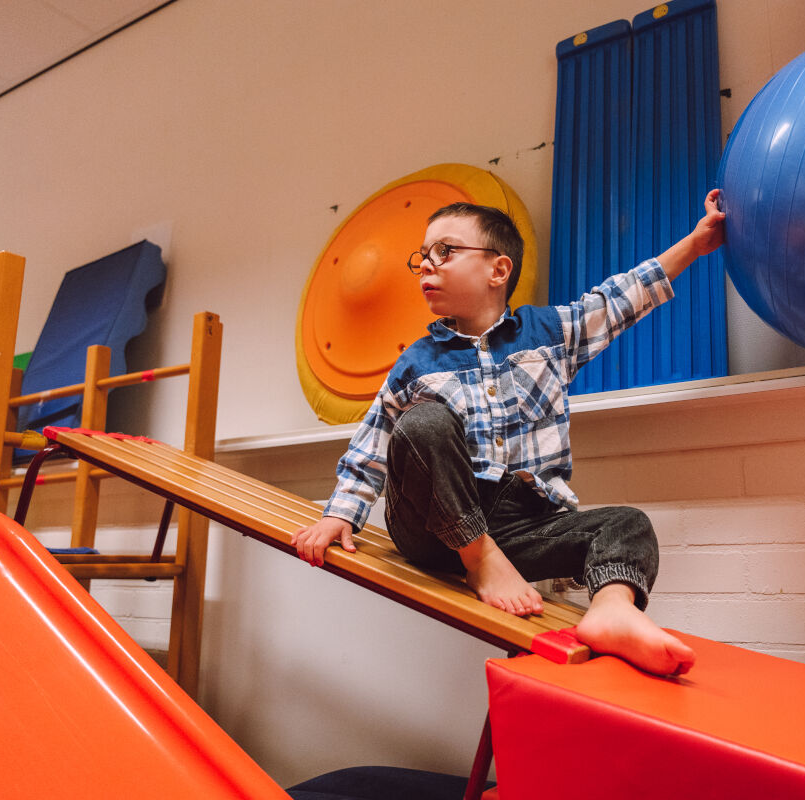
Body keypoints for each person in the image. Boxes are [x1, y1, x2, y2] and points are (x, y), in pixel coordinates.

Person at [293, 189, 726, 676]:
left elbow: (621, 298)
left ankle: (612, 610)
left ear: (498, 271)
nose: (426, 265)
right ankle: (478, 555)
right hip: (437, 525)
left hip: (523, 525)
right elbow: (375, 440)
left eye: (445, 251)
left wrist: (694, 243)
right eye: (422, 256)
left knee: (627, 523)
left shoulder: (547, 335)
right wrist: (341, 514)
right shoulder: (417, 362)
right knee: (423, 424)